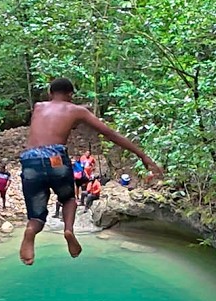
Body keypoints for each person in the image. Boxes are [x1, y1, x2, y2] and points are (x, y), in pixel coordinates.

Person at [18, 78, 163, 265]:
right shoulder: (77, 111)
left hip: (30, 161)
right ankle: (68, 230)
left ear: (49, 92)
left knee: (36, 213)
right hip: (55, 159)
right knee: (68, 198)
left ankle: (31, 231)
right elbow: (111, 134)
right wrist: (143, 156)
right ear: (71, 95)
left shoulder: (38, 107)